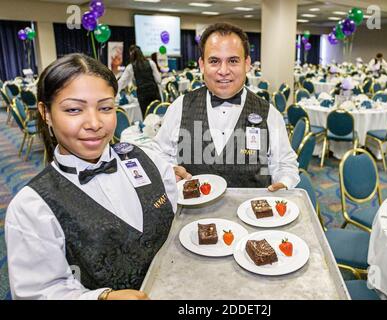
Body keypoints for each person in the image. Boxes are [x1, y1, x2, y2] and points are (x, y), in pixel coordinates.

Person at [5, 53, 177, 300]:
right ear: (46, 113)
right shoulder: (31, 208)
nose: (94, 123)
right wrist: (102, 298)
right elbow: (40, 292)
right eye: (74, 109)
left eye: (105, 108)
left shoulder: (145, 158)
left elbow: (175, 215)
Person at [151, 23, 299, 190]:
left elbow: (285, 164)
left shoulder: (269, 114)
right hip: (193, 214)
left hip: (251, 213)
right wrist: (169, 170)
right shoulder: (180, 107)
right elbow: (160, 153)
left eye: (233, 61)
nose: (223, 71)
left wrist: (284, 183)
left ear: (247, 63)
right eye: (214, 61)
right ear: (202, 65)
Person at [118, 45, 162, 117]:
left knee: (146, 116)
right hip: (154, 92)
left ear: (131, 54)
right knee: (158, 114)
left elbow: (122, 82)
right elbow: (158, 80)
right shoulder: (151, 63)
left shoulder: (130, 67)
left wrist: (113, 92)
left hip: (143, 95)